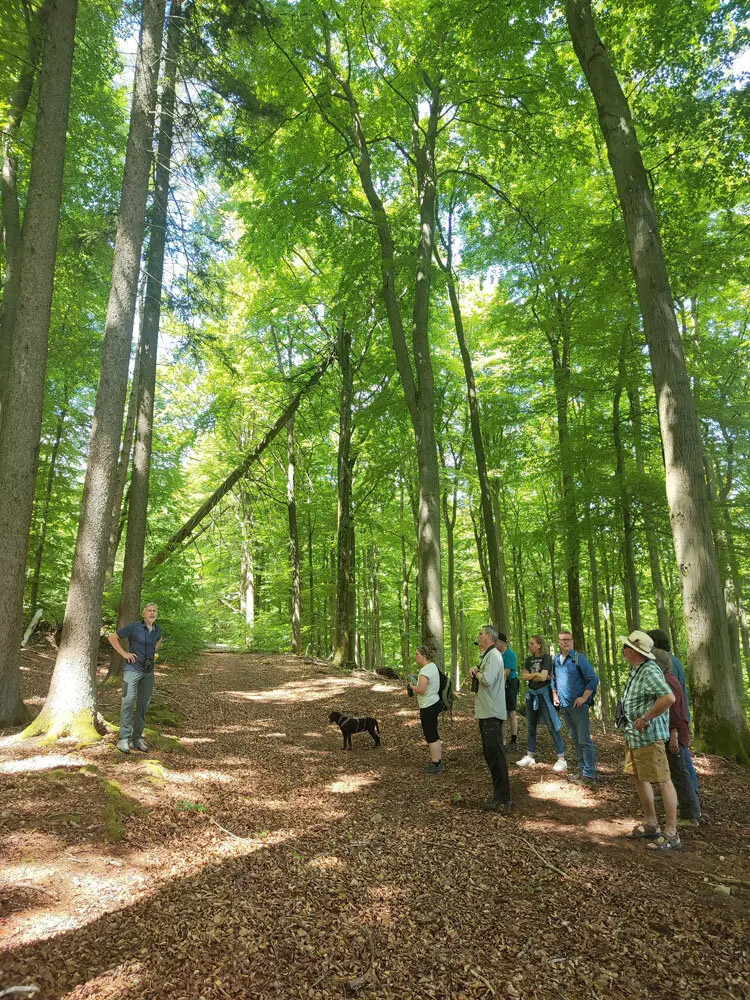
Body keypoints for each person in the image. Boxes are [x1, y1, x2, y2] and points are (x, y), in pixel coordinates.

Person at [619, 630, 682, 852]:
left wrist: (646, 717)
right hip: (634, 736)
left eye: (626, 646)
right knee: (637, 776)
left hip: (649, 736)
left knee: (663, 780)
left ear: (634, 651)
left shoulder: (649, 671)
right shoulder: (636, 670)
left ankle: (672, 833)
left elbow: (668, 697)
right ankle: (651, 824)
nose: (623, 650)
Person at [646, 628, 700, 798]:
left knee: (682, 762)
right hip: (674, 719)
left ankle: (691, 798)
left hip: (676, 720)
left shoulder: (668, 662)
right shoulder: (670, 660)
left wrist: (674, 730)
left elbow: (670, 696)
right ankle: (674, 793)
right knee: (675, 762)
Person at [652, 647, 701, 826]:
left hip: (676, 734)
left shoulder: (668, 682)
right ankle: (686, 810)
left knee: (680, 773)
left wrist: (674, 734)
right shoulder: (667, 680)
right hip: (673, 732)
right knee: (676, 772)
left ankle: (690, 815)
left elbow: (676, 712)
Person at [108, 603, 163, 754]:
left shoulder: (158, 629)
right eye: (149, 611)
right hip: (132, 670)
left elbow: (159, 640)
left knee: (143, 706)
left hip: (148, 672)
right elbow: (112, 638)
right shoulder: (133, 627)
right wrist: (124, 654)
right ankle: (123, 739)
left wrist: (153, 651)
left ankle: (137, 738)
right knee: (128, 701)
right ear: (143, 614)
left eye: (154, 611)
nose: (152, 613)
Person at [470, 625, 512, 811]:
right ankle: (499, 795)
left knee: (496, 755)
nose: (478, 636)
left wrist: (476, 673)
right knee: (490, 754)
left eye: (480, 634)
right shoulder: (487, 655)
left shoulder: (494, 655)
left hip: (492, 713)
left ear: (489, 637)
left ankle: (503, 798)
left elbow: (488, 679)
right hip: (486, 711)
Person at [552, 631, 599, 784]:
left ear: (572, 641)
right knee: (575, 739)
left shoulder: (579, 658)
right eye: (562, 640)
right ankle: (581, 770)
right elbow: (553, 678)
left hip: (578, 707)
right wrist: (554, 694)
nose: (565, 642)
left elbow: (593, 679)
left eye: (568, 639)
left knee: (584, 740)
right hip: (565, 706)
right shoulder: (556, 660)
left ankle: (589, 774)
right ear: (558, 642)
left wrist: (584, 697)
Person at [517, 635, 567, 772]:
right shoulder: (529, 660)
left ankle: (561, 758)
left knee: (552, 726)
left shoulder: (546, 658)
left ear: (539, 645)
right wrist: (536, 675)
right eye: (529, 643)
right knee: (531, 726)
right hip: (531, 694)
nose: (530, 646)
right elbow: (523, 676)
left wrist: (532, 676)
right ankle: (529, 755)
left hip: (544, 695)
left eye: (532, 643)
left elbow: (544, 677)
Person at [407, 645, 444, 774]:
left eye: (417, 654)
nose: (415, 656)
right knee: (434, 732)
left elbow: (421, 690)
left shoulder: (425, 670)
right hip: (434, 703)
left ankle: (436, 764)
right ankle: (438, 760)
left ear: (424, 655)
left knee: (431, 734)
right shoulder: (432, 667)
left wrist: (412, 686)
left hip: (428, 706)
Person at [496, 632, 519, 747]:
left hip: (510, 684)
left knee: (511, 712)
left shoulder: (510, 654)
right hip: (500, 685)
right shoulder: (496, 654)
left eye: (497, 641)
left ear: (502, 642)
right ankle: (502, 740)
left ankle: (513, 739)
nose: (495, 644)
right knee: (502, 712)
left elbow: (507, 672)